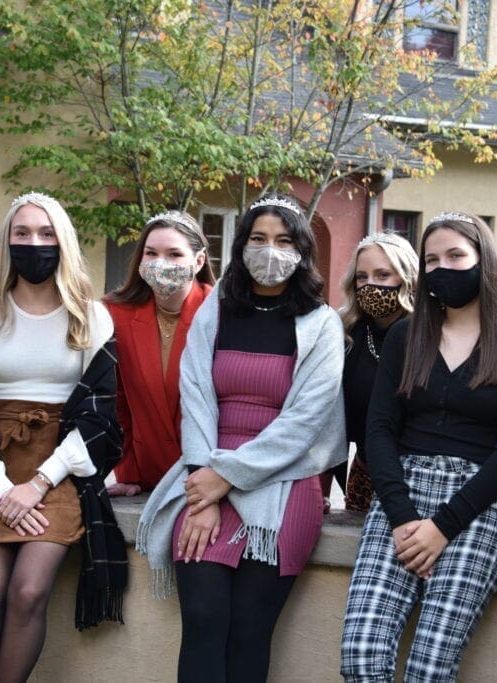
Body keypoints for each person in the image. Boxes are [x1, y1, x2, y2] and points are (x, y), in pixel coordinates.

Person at [136, 194, 346, 682]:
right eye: (257, 239)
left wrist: (223, 478)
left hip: (285, 482)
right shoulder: (216, 309)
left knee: (250, 632)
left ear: (302, 251)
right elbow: (196, 397)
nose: (269, 251)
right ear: (240, 246)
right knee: (205, 621)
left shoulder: (321, 324)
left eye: (283, 240)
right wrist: (203, 488)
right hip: (205, 471)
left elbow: (304, 422)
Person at [0, 192, 126, 683]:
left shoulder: (92, 317)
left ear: (64, 241)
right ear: (7, 242)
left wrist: (37, 484)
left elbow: (98, 418)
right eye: (22, 233)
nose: (34, 243)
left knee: (28, 592)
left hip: (60, 468)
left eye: (45, 233)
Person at [340, 211, 497, 682]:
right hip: (400, 501)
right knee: (362, 654)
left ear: (483, 261)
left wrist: (442, 528)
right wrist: (403, 517)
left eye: (456, 256)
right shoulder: (405, 337)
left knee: (428, 669)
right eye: (431, 260)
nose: (443, 269)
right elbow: (379, 430)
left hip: (476, 505)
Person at [105, 210, 215, 497]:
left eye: (174, 254)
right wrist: (128, 471)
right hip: (146, 475)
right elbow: (116, 403)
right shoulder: (114, 314)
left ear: (199, 261)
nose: (160, 263)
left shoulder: (221, 312)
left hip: (207, 478)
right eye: (151, 253)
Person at [334, 231, 419, 512]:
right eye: (362, 277)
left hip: (420, 478)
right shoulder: (345, 333)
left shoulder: (431, 335)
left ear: (407, 278)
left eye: (383, 275)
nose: (371, 285)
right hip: (365, 477)